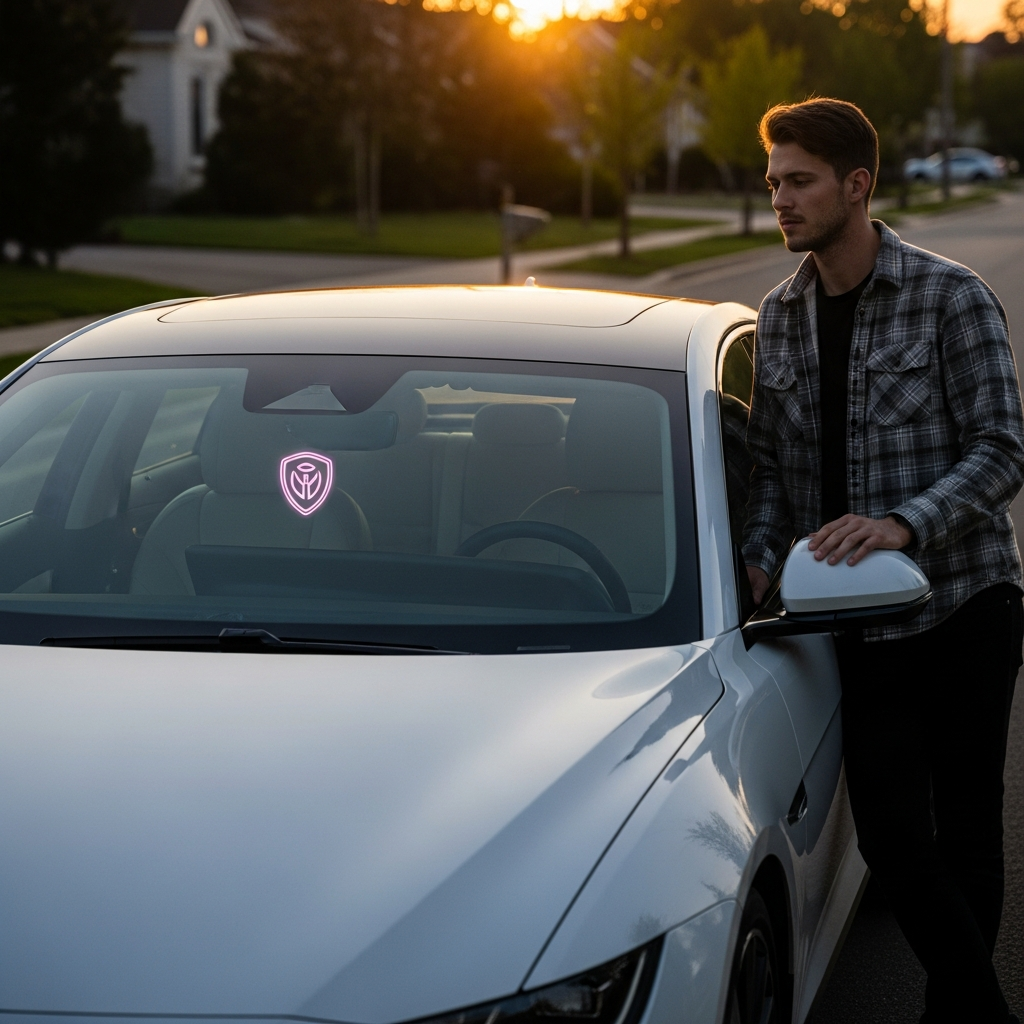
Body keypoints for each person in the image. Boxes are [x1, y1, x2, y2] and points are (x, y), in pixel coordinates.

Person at [742, 97, 1023, 1024]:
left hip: (965, 602)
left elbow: (1004, 447)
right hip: (858, 620)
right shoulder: (778, 320)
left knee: (968, 833)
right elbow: (777, 480)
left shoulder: (950, 296)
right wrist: (754, 562)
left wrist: (906, 520)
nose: (780, 198)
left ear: (857, 185)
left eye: (799, 181)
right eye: (775, 181)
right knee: (897, 838)